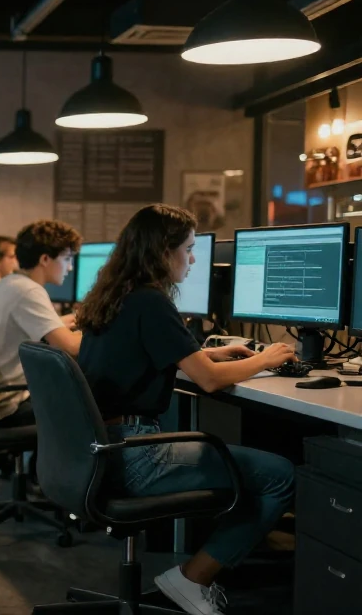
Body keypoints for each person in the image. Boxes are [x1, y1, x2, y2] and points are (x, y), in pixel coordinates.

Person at [75, 204, 296, 615]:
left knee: (253, 465)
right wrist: (265, 360)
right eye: (189, 249)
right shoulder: (151, 303)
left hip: (101, 447)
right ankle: (192, 578)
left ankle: (195, 571)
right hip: (134, 455)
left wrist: (215, 353)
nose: (194, 259)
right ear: (163, 251)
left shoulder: (115, 296)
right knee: (279, 475)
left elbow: (186, 362)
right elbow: (209, 380)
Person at [0, 220, 82, 427]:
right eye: (67, 259)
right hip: (6, 404)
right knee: (86, 407)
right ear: (45, 259)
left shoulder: (10, 283)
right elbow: (71, 347)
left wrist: (71, 322)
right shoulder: (29, 291)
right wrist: (105, 330)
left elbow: (41, 324)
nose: (70, 266)